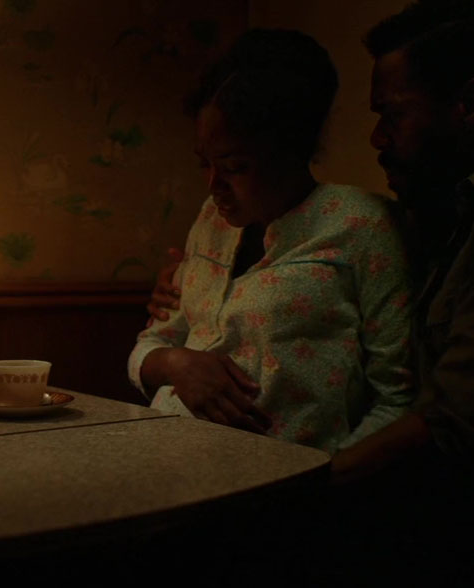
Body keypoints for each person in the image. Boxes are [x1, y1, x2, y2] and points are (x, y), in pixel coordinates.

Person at [149, 2, 474, 588]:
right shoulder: (448, 205)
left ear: (471, 104)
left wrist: (283, 491)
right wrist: (195, 291)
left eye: (393, 115)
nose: (377, 137)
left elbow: (452, 419)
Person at [128, 28, 414, 454]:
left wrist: (327, 472)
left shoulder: (361, 225)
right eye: (204, 163)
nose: (213, 185)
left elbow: (395, 397)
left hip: (284, 472)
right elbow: (149, 346)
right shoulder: (210, 221)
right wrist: (175, 363)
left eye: (235, 167)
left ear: (290, 151)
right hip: (168, 452)